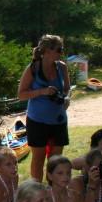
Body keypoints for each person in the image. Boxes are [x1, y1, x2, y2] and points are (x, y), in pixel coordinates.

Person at [17, 35, 71, 181]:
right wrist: (42, 91)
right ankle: (37, 189)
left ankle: (55, 189)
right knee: (38, 159)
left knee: (56, 161)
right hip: (37, 120)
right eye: (59, 50)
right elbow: (21, 95)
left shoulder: (62, 67)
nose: (61, 52)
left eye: (62, 49)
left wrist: (66, 98)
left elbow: (67, 89)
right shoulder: (33, 68)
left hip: (59, 120)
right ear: (47, 51)